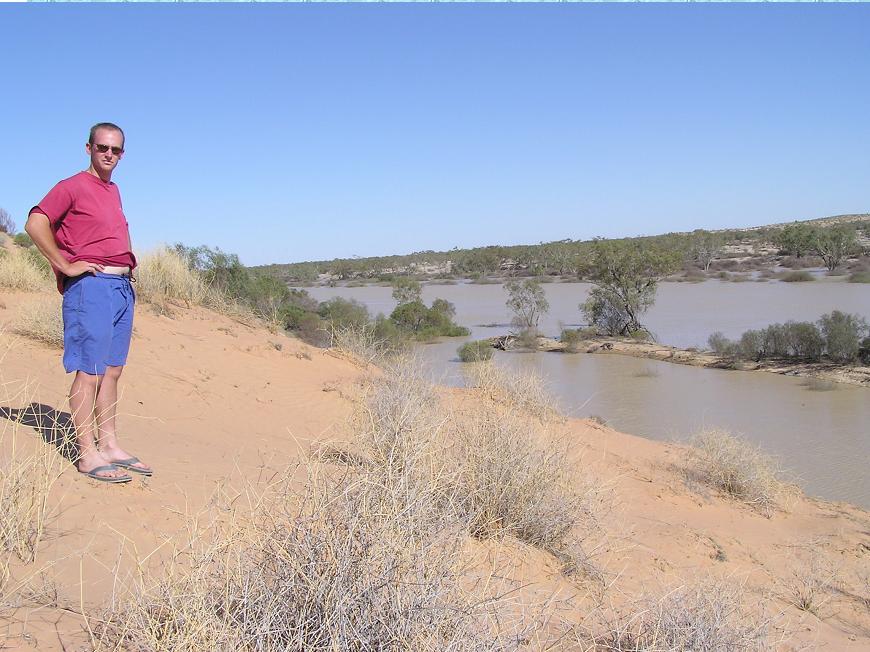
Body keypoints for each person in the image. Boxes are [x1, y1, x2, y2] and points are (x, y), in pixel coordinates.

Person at [25, 123, 152, 483]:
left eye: (116, 150)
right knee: (91, 371)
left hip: (121, 288)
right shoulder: (71, 187)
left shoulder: (113, 190)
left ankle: (109, 444)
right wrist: (64, 264)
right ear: (89, 148)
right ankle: (86, 452)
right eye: (102, 148)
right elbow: (36, 223)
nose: (109, 155)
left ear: (122, 153)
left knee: (112, 370)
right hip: (91, 288)